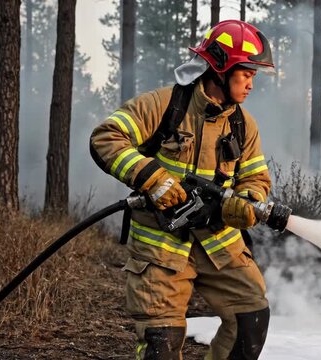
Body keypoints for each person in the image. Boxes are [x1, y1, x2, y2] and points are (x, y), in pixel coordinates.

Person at [89, 20, 275, 360]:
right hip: (161, 249)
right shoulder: (163, 105)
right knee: (162, 341)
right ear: (220, 68)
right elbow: (106, 138)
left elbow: (255, 178)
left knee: (251, 316)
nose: (251, 83)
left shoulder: (243, 124)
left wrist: (248, 201)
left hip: (218, 245)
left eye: (254, 76)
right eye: (246, 73)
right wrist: (153, 178)